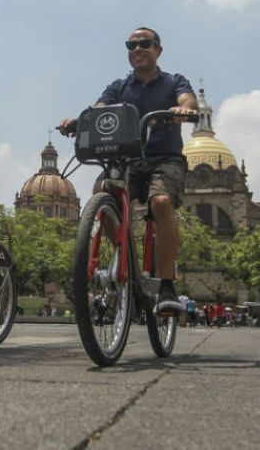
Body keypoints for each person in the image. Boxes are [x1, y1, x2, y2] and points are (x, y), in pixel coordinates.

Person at [58, 26, 198, 316]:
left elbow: (188, 100)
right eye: (131, 45)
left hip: (164, 160)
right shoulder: (119, 88)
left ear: (158, 49)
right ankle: (125, 254)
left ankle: (168, 284)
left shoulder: (174, 81)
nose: (137, 49)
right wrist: (79, 121)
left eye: (144, 43)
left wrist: (182, 110)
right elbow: (98, 107)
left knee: (160, 202)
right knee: (101, 192)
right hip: (128, 161)